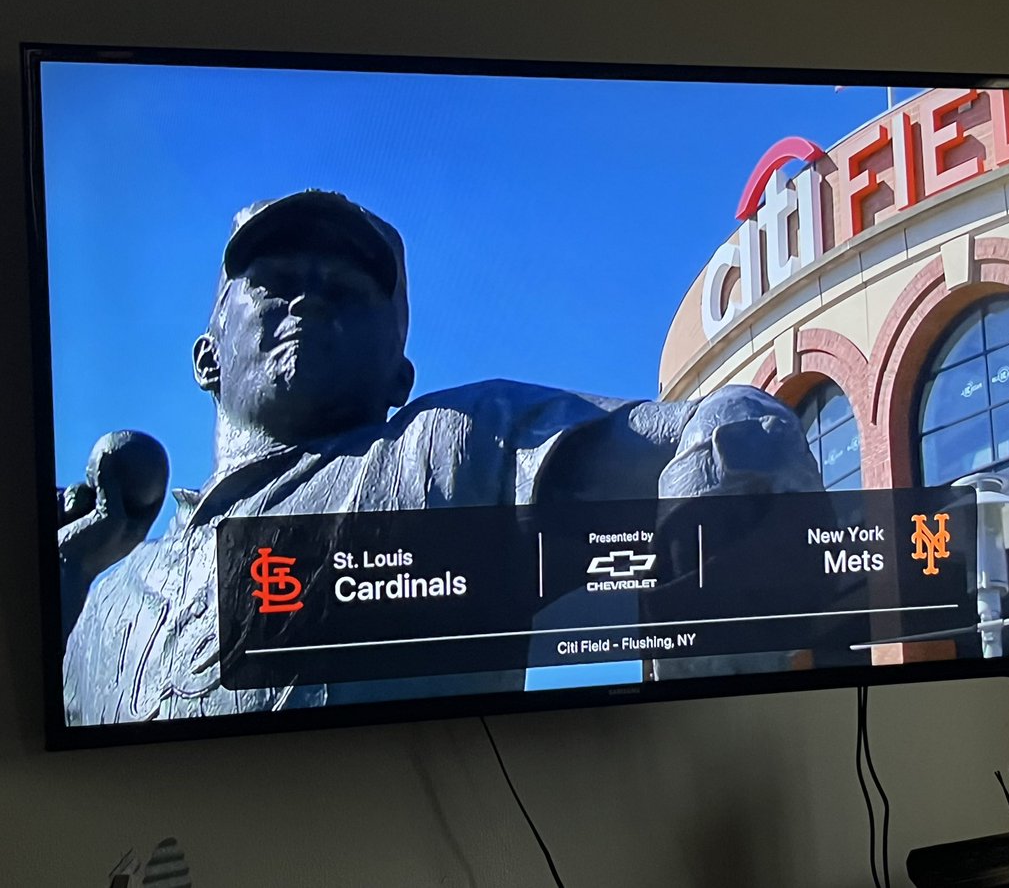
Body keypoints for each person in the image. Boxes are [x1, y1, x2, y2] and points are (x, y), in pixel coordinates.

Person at [58, 190, 820, 725]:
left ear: (401, 376)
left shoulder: (451, 448)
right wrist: (59, 581)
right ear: (205, 357)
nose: (309, 301)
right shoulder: (105, 600)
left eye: (349, 290)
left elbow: (736, 427)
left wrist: (709, 653)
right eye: (276, 282)